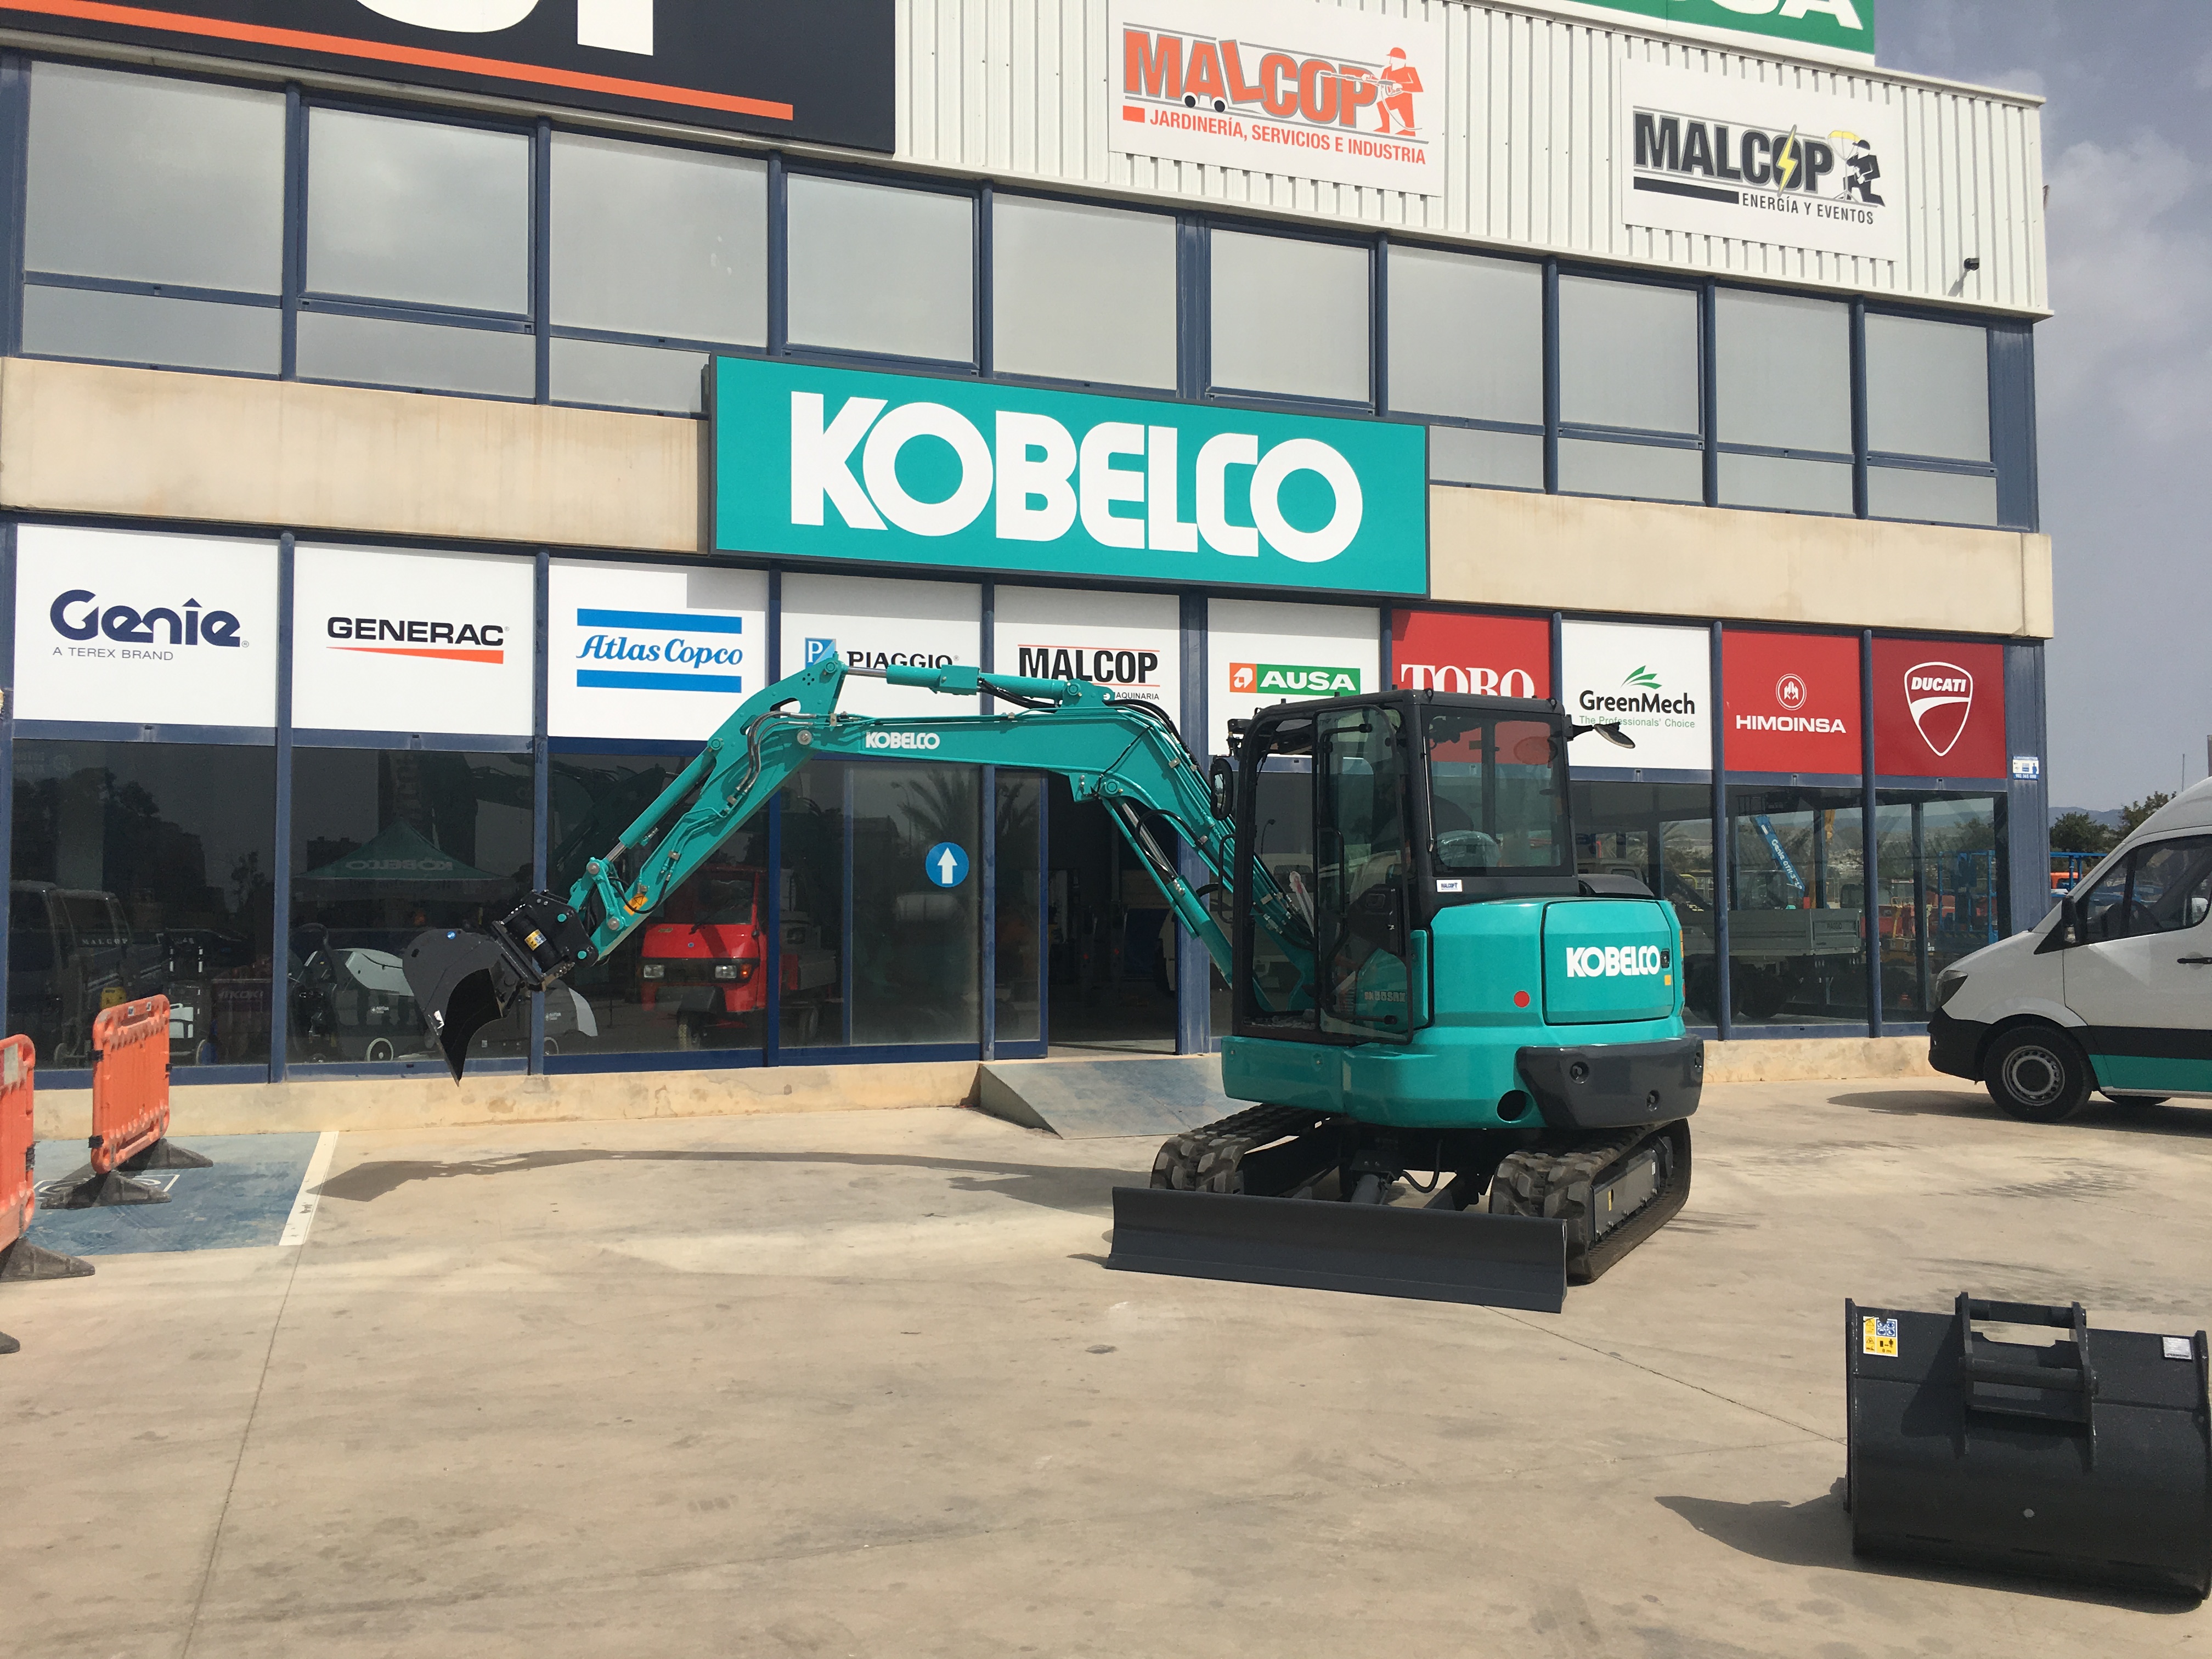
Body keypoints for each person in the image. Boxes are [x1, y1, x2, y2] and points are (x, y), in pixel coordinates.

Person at [1378, 47, 1423, 136]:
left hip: (1405, 97)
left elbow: (1418, 87)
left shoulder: (1410, 71)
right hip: (1393, 96)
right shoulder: (1387, 71)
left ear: (1399, 60)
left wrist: (1401, 86)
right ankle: (1385, 128)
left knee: (1406, 111)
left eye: (1393, 58)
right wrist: (1369, 78)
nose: (1390, 61)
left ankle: (1410, 131)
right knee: (1382, 105)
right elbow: (1381, 83)